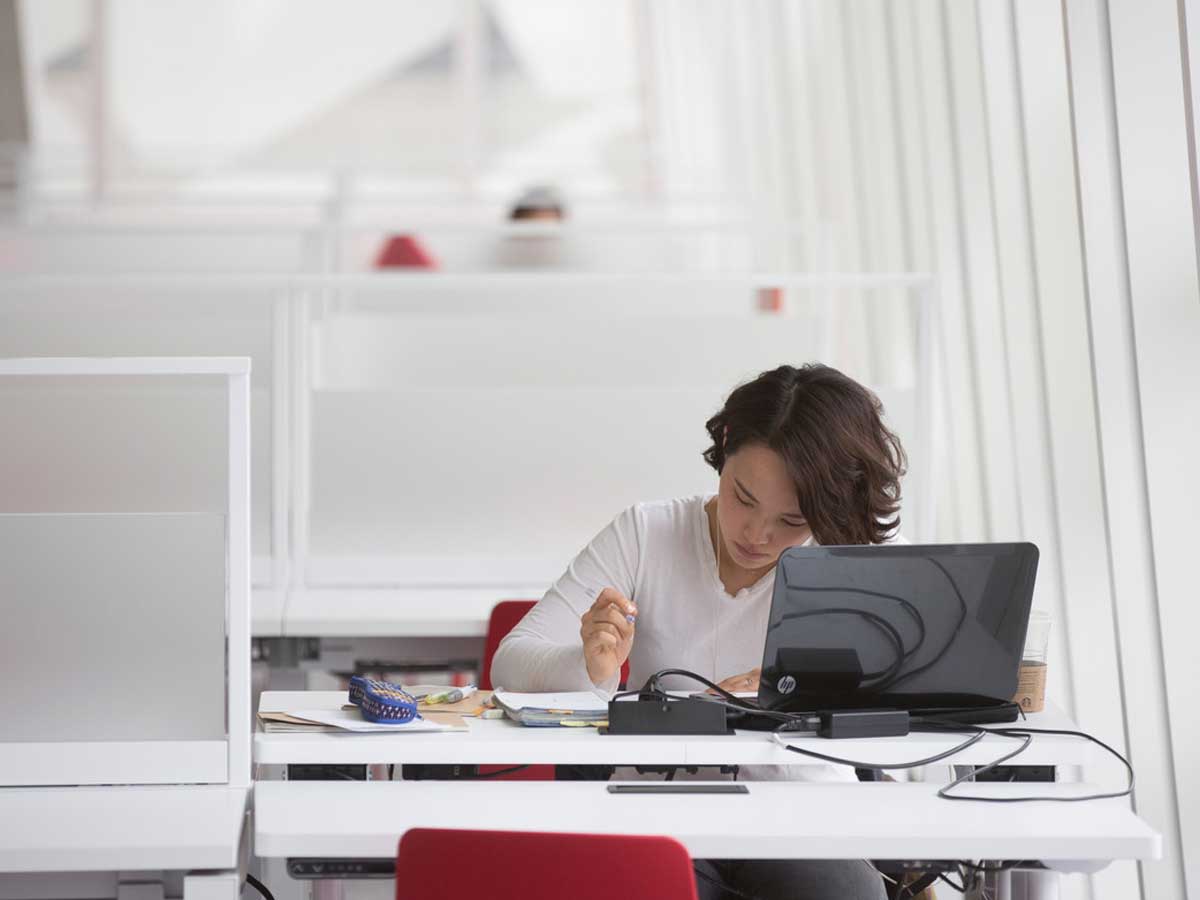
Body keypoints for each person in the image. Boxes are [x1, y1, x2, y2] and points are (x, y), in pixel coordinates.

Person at [490, 362, 907, 900]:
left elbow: (903, 706)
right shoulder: (648, 533)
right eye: (744, 498)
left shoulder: (849, 559)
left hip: (801, 810)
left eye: (792, 521)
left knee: (846, 892)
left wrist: (799, 697)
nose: (757, 535)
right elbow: (511, 660)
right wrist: (589, 666)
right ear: (725, 447)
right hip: (661, 808)